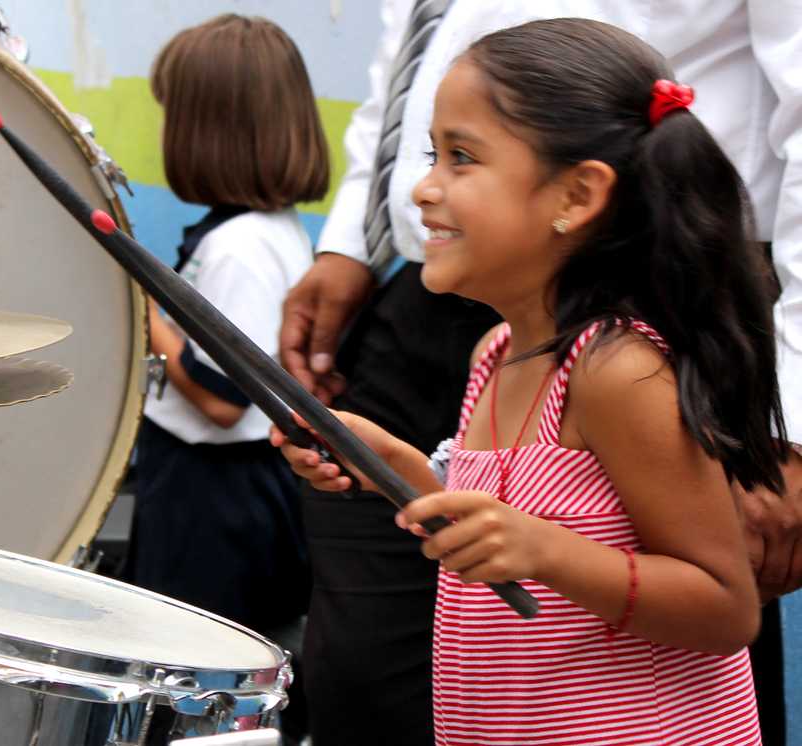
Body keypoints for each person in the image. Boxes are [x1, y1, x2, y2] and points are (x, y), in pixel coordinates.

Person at [278, 2, 802, 743]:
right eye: (430, 156)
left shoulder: (619, 372)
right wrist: (393, 467)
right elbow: (506, 525)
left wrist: (547, 551)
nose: (425, 188)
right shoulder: (494, 354)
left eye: (461, 157)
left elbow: (726, 606)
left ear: (577, 196)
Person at [124, 14, 324, 637]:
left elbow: (220, 399)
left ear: (208, 129)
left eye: (170, 113)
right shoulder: (255, 232)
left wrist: (137, 298)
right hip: (204, 487)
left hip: (215, 503)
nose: (162, 131)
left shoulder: (243, 246)